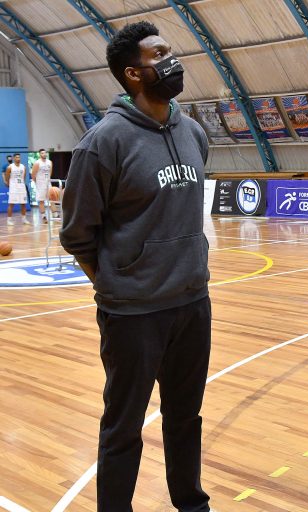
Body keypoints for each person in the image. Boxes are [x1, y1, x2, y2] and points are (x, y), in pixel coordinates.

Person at [59, 21, 212, 511]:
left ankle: (192, 503)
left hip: (193, 302)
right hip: (133, 313)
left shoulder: (193, 133)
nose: (172, 60)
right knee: (123, 426)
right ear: (132, 73)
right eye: (159, 54)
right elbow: (77, 234)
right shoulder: (103, 142)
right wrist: (120, 283)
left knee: (186, 417)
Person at [4, 153, 29, 225]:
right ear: (14, 158)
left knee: (23, 204)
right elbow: (7, 178)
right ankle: (9, 220)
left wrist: (21, 184)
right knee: (11, 204)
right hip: (13, 188)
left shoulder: (23, 167)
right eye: (17, 157)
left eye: (19, 157)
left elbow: (24, 177)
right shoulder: (10, 167)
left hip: (22, 188)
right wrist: (9, 184)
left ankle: (24, 219)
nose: (18, 159)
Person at [32, 149, 53, 223]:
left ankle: (55, 214)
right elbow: (33, 175)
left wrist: (47, 180)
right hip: (40, 184)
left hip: (48, 183)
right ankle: (44, 217)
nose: (44, 154)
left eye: (45, 153)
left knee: (52, 198)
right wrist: (37, 182)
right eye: (42, 153)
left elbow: (50, 173)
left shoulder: (50, 162)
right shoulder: (37, 163)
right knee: (41, 200)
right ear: (39, 154)